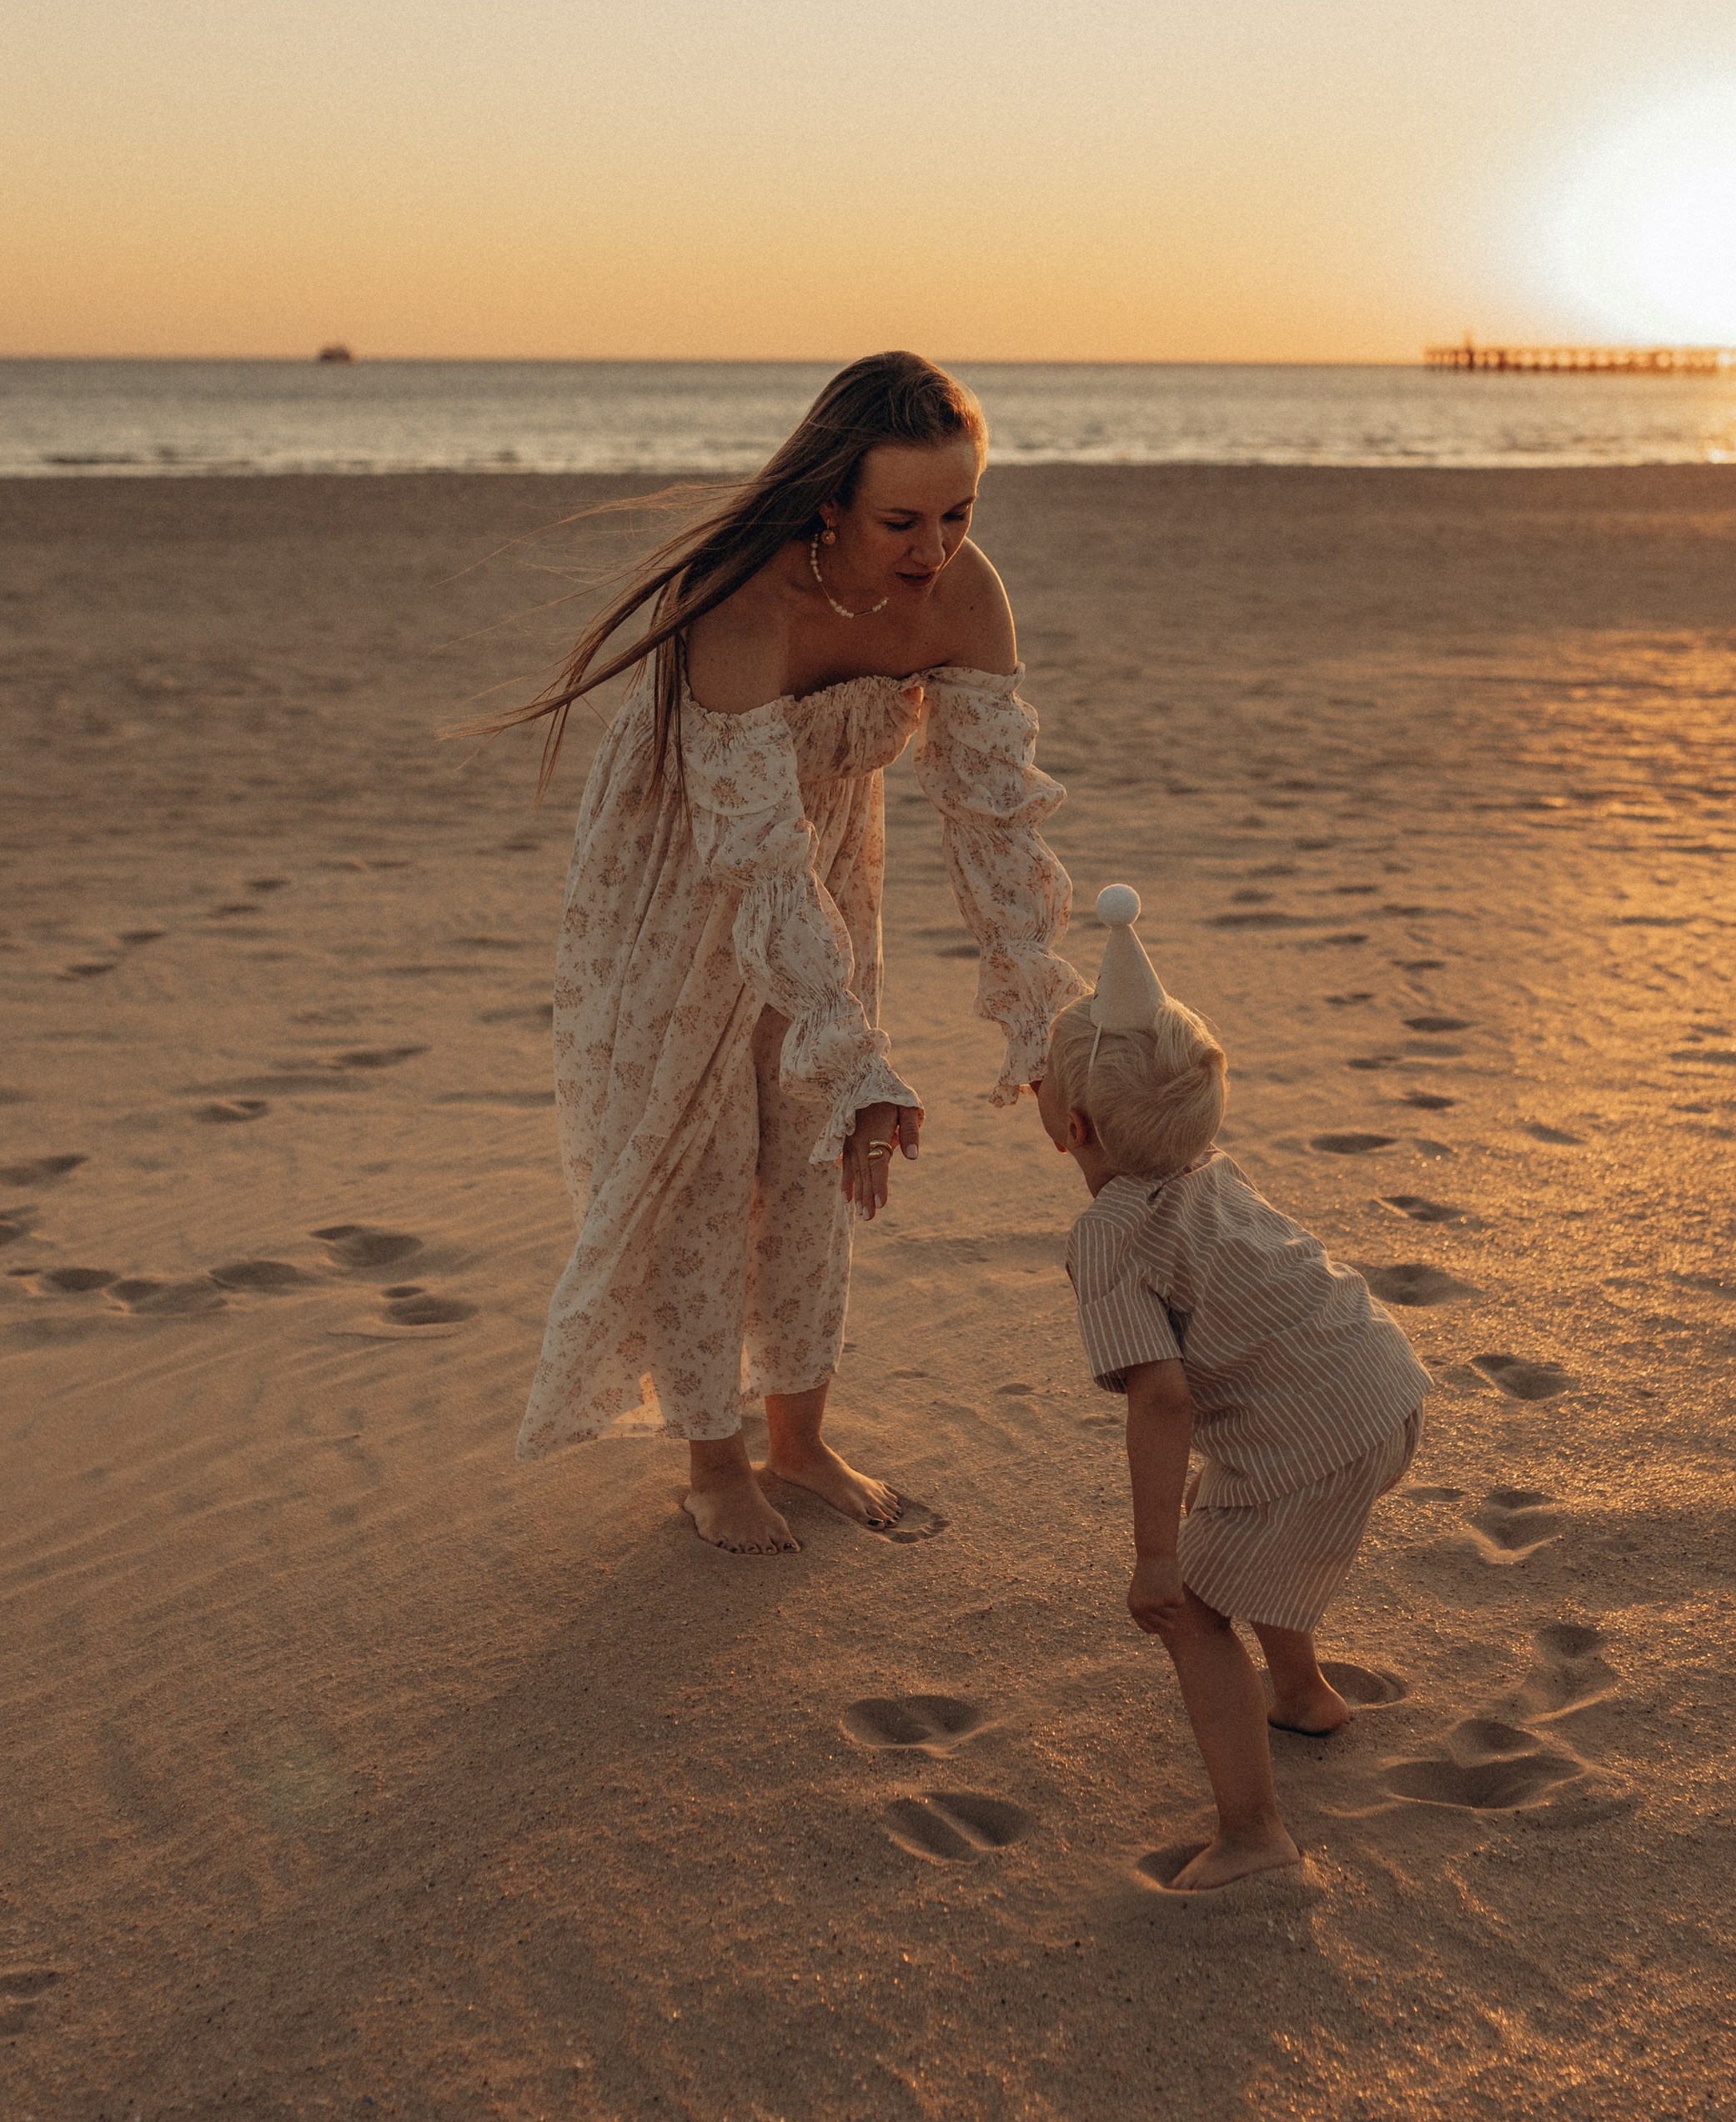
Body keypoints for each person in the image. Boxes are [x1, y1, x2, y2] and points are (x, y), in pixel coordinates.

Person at [499, 352, 1083, 1553]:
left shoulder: (965, 596)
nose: (935, 548)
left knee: (812, 1150)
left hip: (826, 864)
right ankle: (715, 1462)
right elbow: (750, 857)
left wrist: (1036, 1016)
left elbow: (994, 821)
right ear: (830, 503)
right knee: (701, 1153)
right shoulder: (742, 601)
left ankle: (800, 1438)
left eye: (960, 513)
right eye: (902, 521)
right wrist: (856, 1051)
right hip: (686, 870)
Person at [1033, 887, 1430, 1891]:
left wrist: (1154, 1559)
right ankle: (1300, 1694)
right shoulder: (1211, 1169)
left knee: (1198, 1607)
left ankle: (1256, 1837)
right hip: (1380, 1386)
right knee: (1237, 1507)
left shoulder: (1108, 1237)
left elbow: (1161, 1398)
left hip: (1313, 1437)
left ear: (1068, 1126)